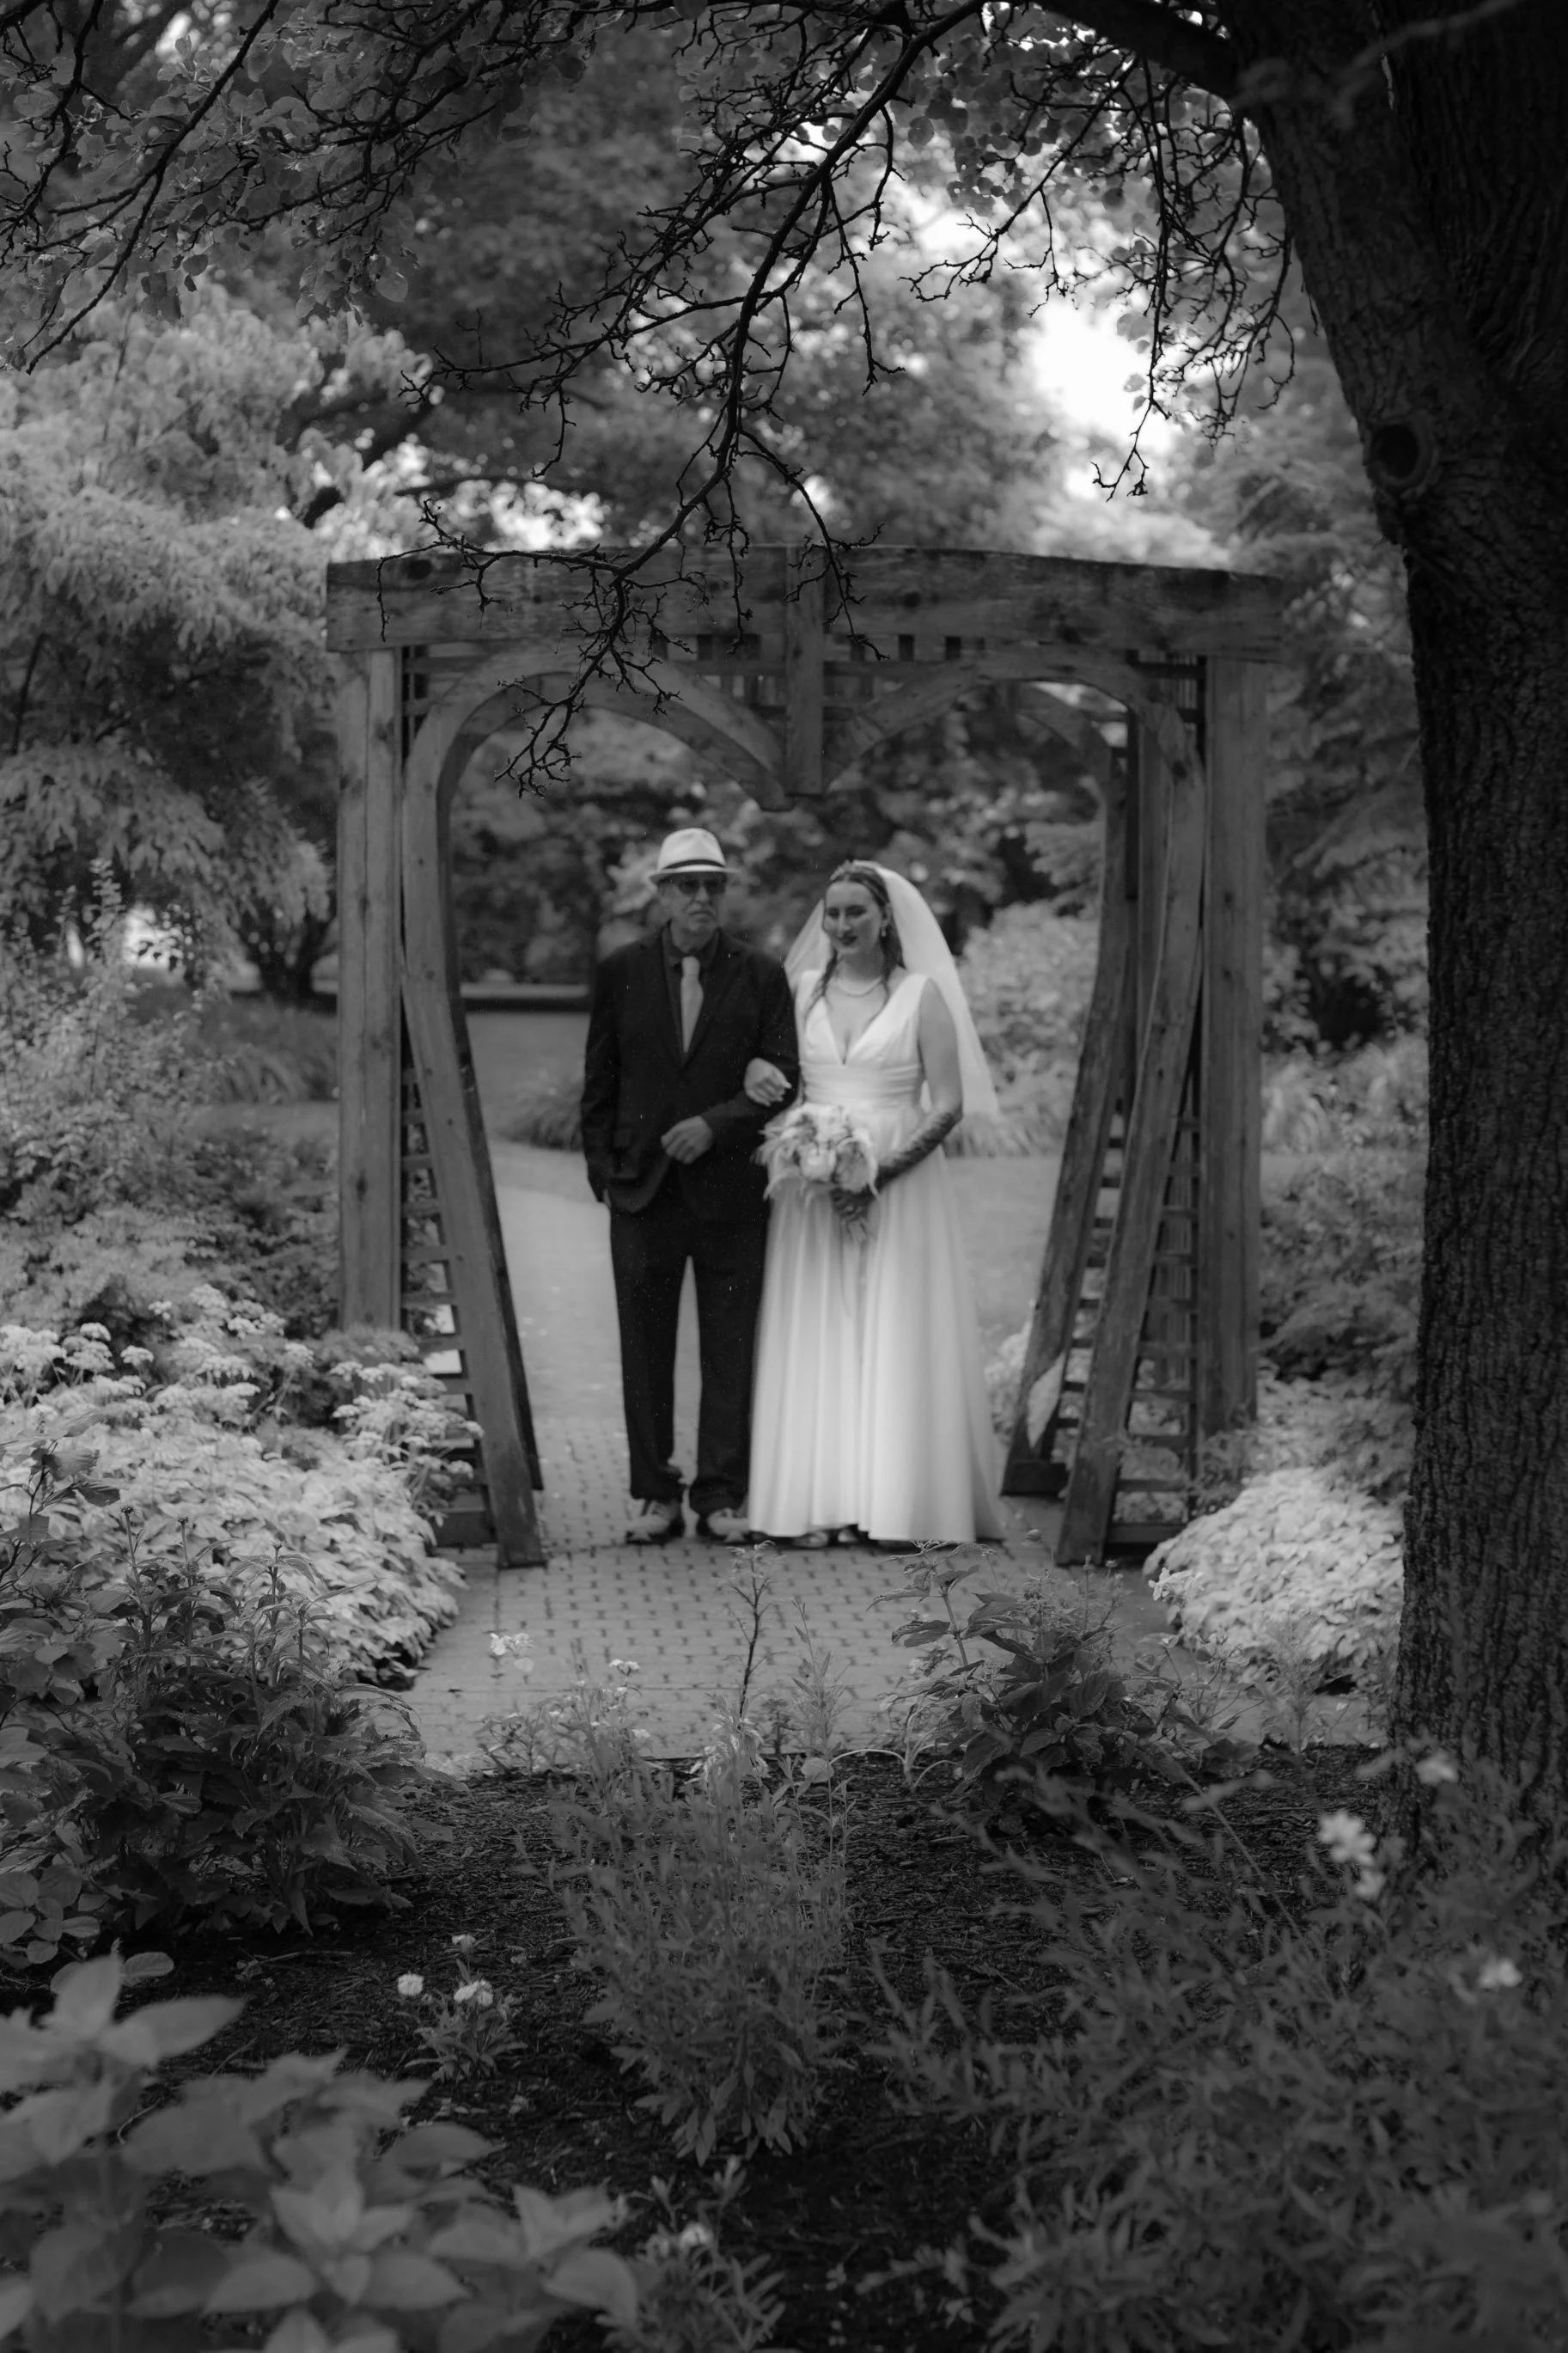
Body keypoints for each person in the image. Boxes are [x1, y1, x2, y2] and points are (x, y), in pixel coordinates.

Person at [747, 860, 1004, 1547]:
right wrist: (804, 1142)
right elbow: (780, 1075)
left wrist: (878, 1174)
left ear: (885, 918)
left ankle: (898, 1507)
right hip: (813, 1185)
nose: (841, 926)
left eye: (855, 912)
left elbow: (947, 1105)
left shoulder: (921, 996)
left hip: (901, 1184)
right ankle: (815, 1503)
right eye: (832, 914)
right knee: (819, 1330)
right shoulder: (800, 991)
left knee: (892, 1329)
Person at [581, 827, 799, 1544]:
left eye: (713, 885)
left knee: (729, 1347)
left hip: (732, 1193)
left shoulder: (761, 975)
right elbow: (600, 1082)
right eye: (687, 885)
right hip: (641, 1193)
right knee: (643, 1350)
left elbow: (782, 1078)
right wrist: (605, 1174)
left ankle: (720, 1496)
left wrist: (716, 1124)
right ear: (662, 894)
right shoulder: (620, 972)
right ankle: (654, 1495)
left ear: (725, 892)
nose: (701, 897)